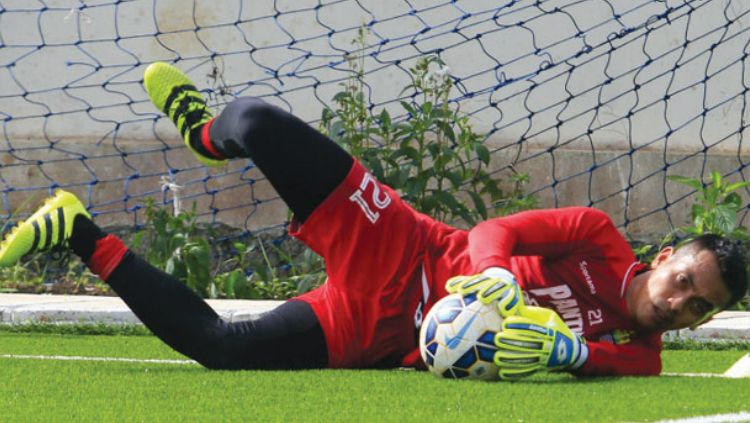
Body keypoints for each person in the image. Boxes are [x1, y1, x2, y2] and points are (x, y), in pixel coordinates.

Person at [0, 62, 746, 379]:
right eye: (686, 278)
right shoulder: (596, 233)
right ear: (670, 252)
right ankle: (204, 134)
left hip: (388, 331)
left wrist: (560, 351)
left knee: (218, 349)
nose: (680, 300)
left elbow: (594, 364)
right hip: (407, 245)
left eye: (698, 305)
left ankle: (77, 231)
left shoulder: (642, 356)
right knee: (255, 120)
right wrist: (489, 278)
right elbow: (501, 233)